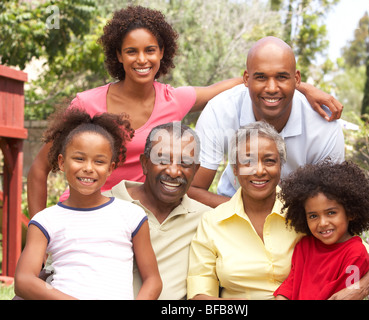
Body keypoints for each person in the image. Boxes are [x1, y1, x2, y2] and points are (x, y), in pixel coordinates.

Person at [28, 6, 343, 217]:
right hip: (89, 213)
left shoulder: (174, 100)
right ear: (118, 56)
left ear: (162, 52)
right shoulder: (87, 103)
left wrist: (304, 89)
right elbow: (39, 169)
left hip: (146, 217)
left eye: (150, 50)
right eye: (131, 51)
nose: (142, 59)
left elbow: (254, 80)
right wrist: (41, 230)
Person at [187, 121, 369, 300]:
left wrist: (357, 289)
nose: (259, 170)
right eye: (248, 161)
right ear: (235, 169)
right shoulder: (213, 222)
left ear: (281, 166)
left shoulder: (307, 212)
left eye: (269, 160)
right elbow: (199, 295)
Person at [14, 108, 162, 300]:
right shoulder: (45, 221)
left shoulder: (131, 215)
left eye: (99, 162)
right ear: (61, 162)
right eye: (79, 158)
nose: (88, 168)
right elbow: (23, 280)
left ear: (110, 169)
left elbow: (153, 280)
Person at [188, 36, 345, 208]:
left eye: (282, 77)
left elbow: (331, 203)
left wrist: (275, 217)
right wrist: (249, 214)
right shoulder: (221, 110)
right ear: (246, 79)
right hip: (230, 208)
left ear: (297, 79)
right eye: (261, 77)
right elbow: (193, 190)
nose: (271, 88)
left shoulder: (323, 125)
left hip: (297, 218)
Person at [103, 122, 211, 299]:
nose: (174, 171)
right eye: (162, 160)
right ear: (145, 163)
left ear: (195, 170)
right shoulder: (103, 207)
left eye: (185, 163)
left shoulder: (207, 220)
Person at [273, 161, 369, 300]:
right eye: (313, 216)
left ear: (350, 212)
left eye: (331, 213)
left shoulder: (356, 254)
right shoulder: (305, 246)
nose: (322, 223)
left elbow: (346, 296)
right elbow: (290, 286)